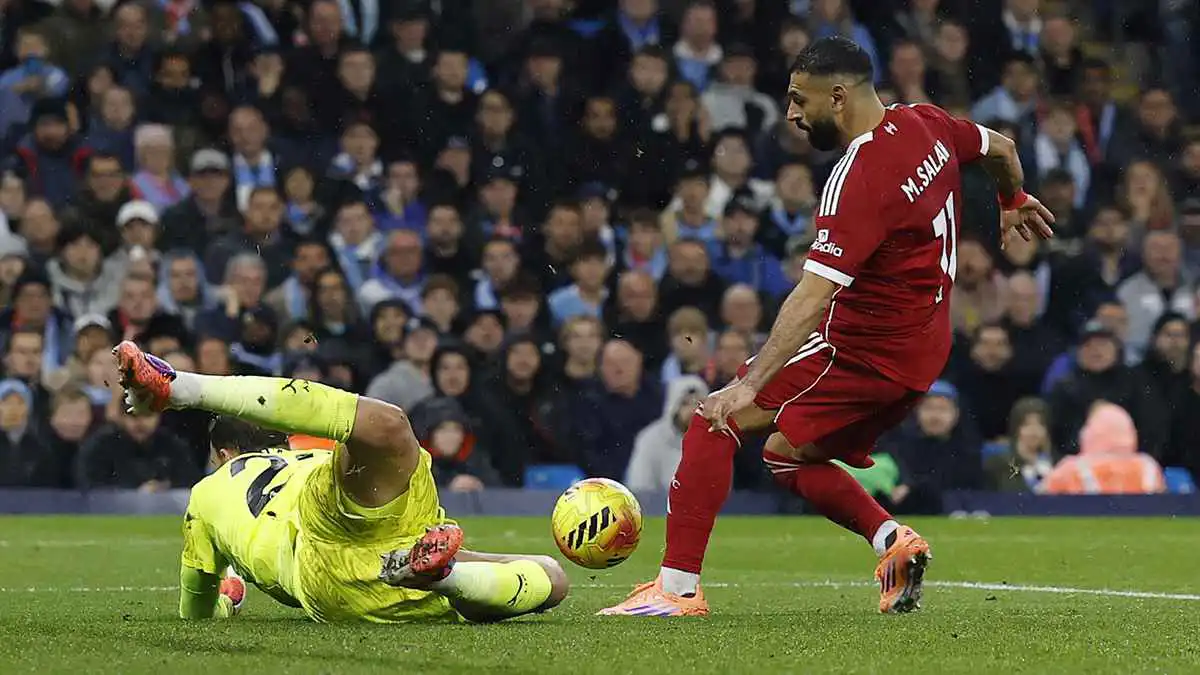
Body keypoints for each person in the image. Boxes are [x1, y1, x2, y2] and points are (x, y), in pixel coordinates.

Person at [601, 36, 1054, 618]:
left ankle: (675, 591)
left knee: (714, 418)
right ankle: (892, 542)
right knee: (787, 453)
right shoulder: (927, 123)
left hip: (860, 351)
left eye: (797, 99)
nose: (790, 113)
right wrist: (1012, 196)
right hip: (924, 350)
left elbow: (814, 294)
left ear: (838, 97)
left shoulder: (859, 175)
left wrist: (749, 382)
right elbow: (1002, 147)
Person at [113, 341, 569, 623]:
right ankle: (183, 388)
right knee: (386, 425)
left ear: (223, 455)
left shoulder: (206, 494)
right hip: (334, 522)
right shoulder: (305, 457)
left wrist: (228, 600)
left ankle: (443, 574)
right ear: (285, 441)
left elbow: (194, 611)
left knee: (552, 574)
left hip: (331, 579)